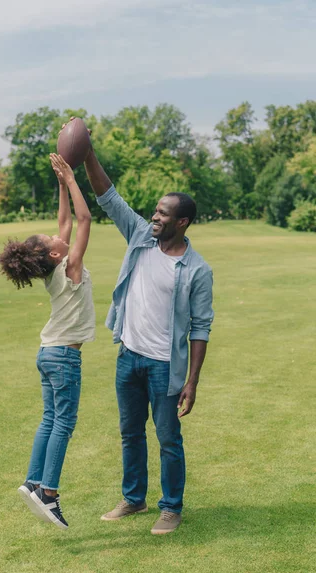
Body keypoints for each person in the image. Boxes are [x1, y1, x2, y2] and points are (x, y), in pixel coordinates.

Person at [69, 119, 214, 535]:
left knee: (168, 439)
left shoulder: (196, 269)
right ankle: (134, 499)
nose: (154, 215)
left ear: (181, 222)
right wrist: (88, 153)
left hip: (164, 366)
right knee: (130, 432)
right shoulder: (140, 236)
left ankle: (171, 507)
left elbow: (201, 327)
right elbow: (108, 197)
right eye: (155, 209)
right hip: (128, 355)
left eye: (163, 213)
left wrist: (193, 380)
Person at [0, 154, 95, 530]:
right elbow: (83, 220)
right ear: (56, 253)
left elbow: (66, 220)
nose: (59, 234)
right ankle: (48, 494)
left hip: (47, 352)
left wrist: (59, 184)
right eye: (55, 239)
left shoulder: (57, 265)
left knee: (50, 418)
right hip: (64, 357)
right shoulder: (70, 266)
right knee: (63, 422)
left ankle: (32, 481)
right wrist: (71, 179)